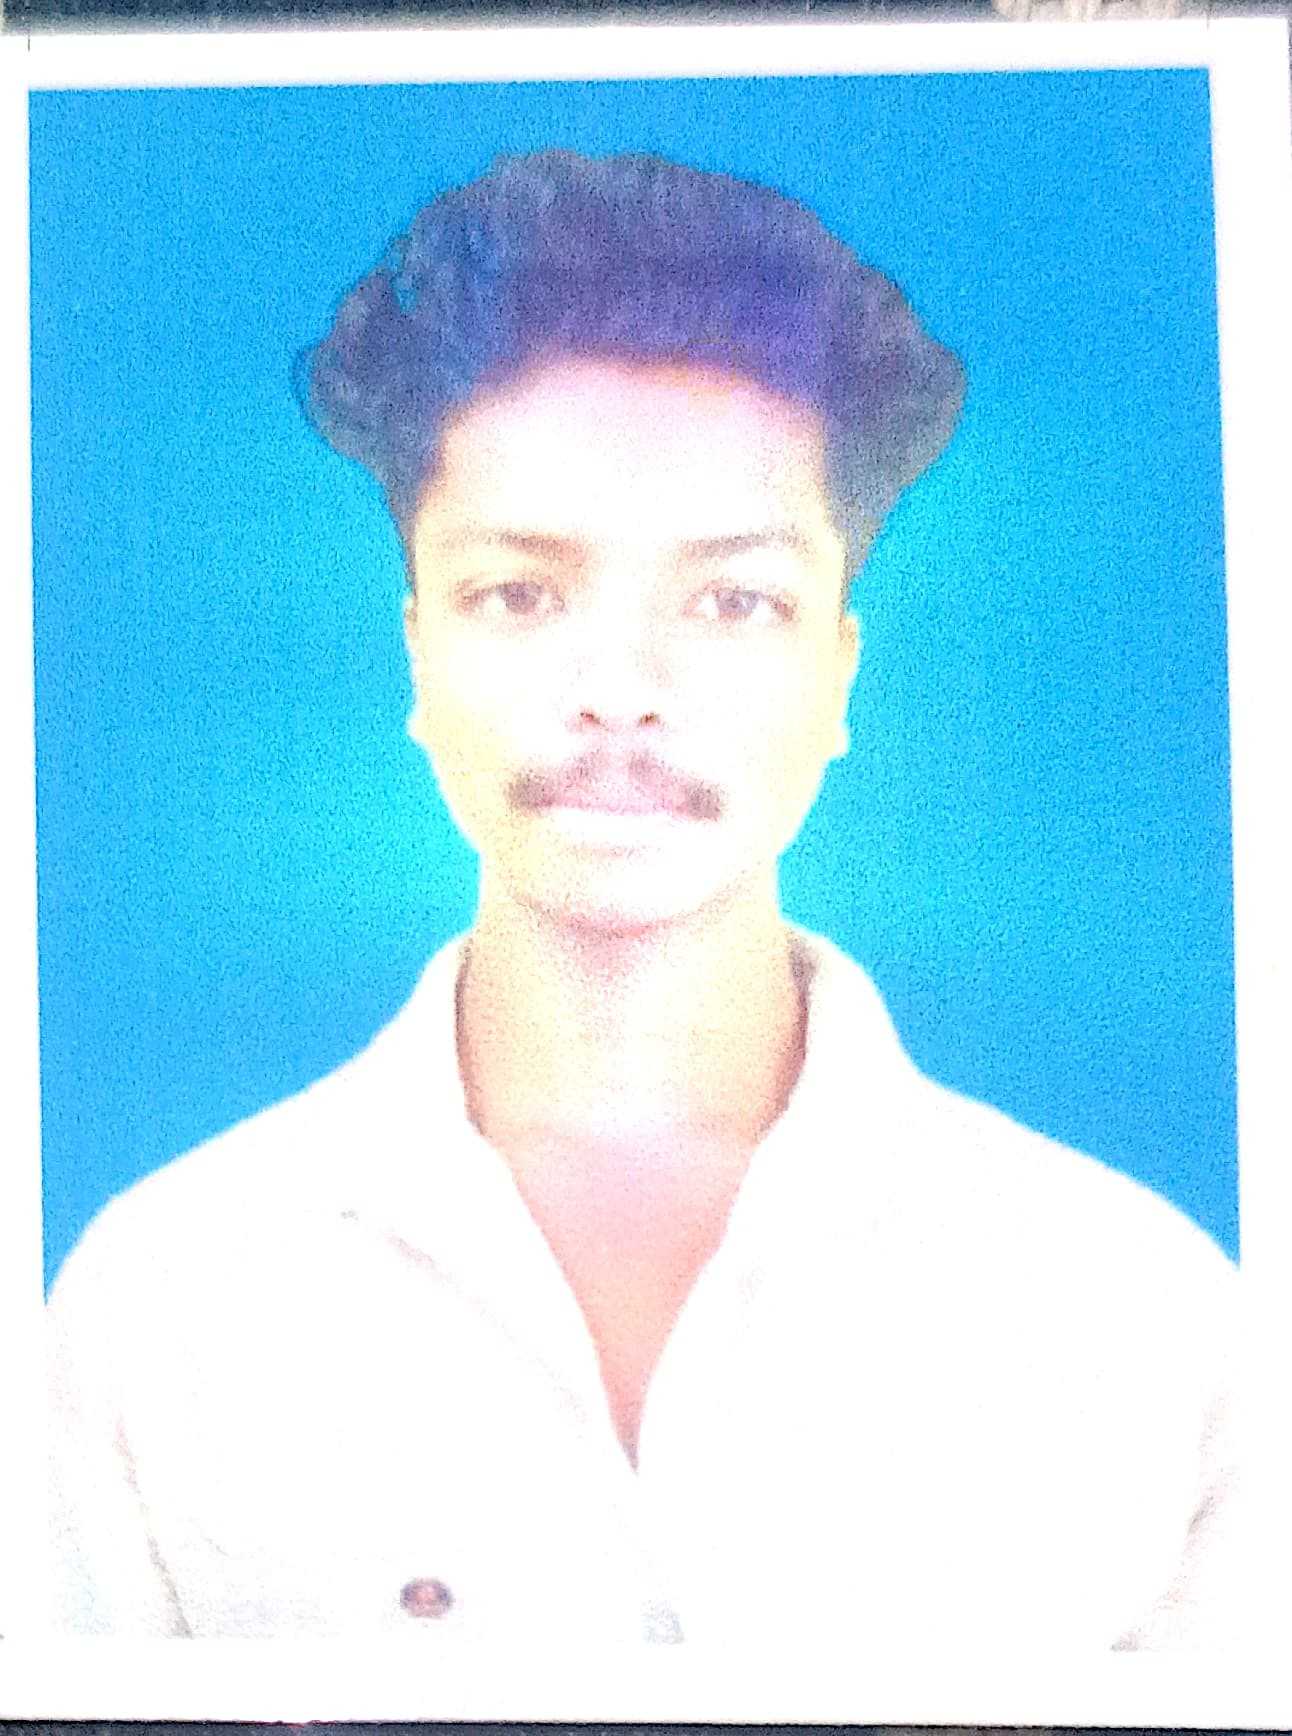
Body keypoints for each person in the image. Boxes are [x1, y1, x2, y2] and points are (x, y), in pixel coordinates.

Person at [47, 149, 1245, 1649]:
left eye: (733, 600)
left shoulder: (1140, 1319)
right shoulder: (163, 1304)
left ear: (839, 672)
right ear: (418, 649)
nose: (621, 690)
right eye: (521, 594)